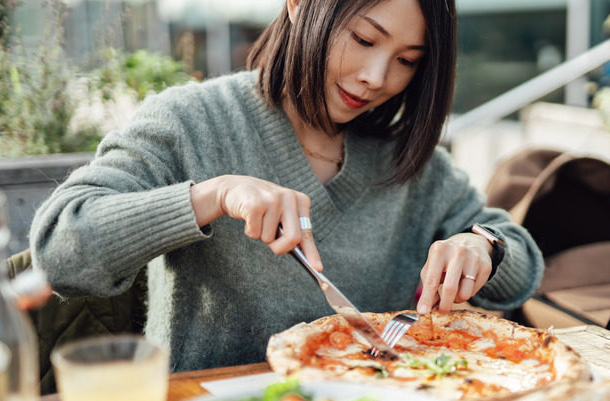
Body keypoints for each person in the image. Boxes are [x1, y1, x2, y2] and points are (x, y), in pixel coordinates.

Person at [29, 0, 543, 372]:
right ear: (299, 4)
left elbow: (518, 264)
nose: (375, 76)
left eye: (408, 60)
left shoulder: (411, 161)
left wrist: (483, 246)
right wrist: (214, 196)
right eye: (364, 39)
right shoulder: (191, 121)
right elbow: (60, 246)